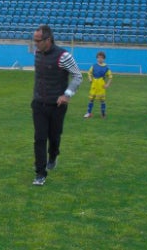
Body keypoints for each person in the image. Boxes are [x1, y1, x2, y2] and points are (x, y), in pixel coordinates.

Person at [31, 25, 83, 186]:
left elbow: (77, 76)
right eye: (34, 41)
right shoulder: (37, 53)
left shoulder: (63, 56)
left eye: (38, 41)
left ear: (48, 40)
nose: (35, 44)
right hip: (39, 104)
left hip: (57, 106)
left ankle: (53, 155)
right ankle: (40, 173)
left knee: (54, 136)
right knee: (39, 138)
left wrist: (67, 94)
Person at [84, 51, 112, 118]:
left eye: (101, 58)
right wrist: (90, 79)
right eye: (98, 57)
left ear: (104, 59)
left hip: (101, 86)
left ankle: (103, 114)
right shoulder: (94, 66)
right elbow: (89, 73)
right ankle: (88, 113)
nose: (100, 59)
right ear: (97, 58)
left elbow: (110, 77)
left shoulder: (106, 67)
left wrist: (107, 84)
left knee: (102, 100)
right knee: (91, 99)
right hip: (94, 85)